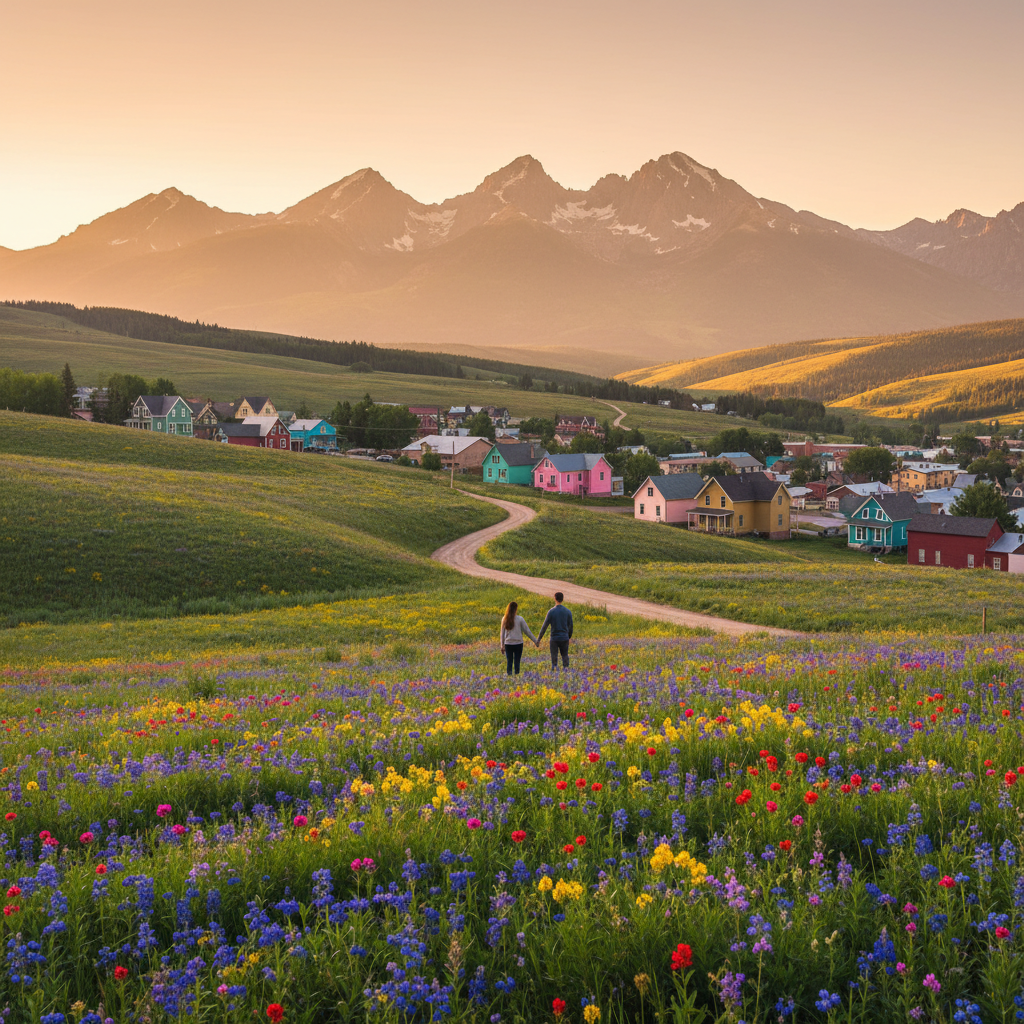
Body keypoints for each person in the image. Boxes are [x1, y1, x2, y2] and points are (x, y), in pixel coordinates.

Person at [537, 591, 573, 670]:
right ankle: (566, 672)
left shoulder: (551, 612)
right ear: (562, 599)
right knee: (565, 656)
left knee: (554, 657)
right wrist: (568, 636)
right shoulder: (568, 612)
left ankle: (554, 673)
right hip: (564, 638)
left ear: (555, 599)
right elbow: (570, 627)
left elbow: (544, 626)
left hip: (554, 638)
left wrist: (539, 639)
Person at [499, 600, 537, 676]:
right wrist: (535, 641)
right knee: (517, 662)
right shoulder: (520, 619)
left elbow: (502, 633)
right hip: (518, 644)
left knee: (509, 662)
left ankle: (509, 677)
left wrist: (502, 645)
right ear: (516, 609)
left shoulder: (504, 619)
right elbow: (527, 631)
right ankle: (517, 677)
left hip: (508, 644)